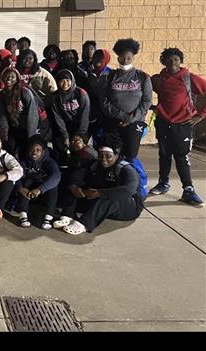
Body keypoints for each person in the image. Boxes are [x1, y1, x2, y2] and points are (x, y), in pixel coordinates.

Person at [54, 133, 143, 235]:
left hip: (127, 207)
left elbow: (128, 190)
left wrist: (100, 193)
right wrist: (74, 186)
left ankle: (84, 224)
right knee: (74, 188)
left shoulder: (126, 169)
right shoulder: (95, 164)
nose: (104, 159)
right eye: (101, 156)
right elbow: (77, 175)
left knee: (109, 197)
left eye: (108, 156)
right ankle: (68, 215)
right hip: (102, 204)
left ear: (116, 155)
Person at [149, 47, 206, 206]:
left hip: (183, 124)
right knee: (164, 153)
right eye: (169, 59)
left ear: (180, 61)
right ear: (163, 62)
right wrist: (153, 106)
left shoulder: (189, 78)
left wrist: (200, 115)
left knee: (181, 156)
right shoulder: (158, 79)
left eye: (176, 59)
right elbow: (143, 88)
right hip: (163, 123)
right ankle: (163, 182)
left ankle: (188, 189)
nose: (172, 62)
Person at [100, 38, 152, 198]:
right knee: (114, 153)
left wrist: (131, 118)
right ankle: (119, 183)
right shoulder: (109, 76)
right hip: (113, 121)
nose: (125, 60)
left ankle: (140, 182)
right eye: (122, 57)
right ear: (117, 57)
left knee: (130, 154)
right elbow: (103, 101)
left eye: (128, 57)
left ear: (133, 57)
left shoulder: (142, 77)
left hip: (134, 123)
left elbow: (146, 101)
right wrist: (121, 115)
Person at [16, 136, 61, 229]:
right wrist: (20, 188)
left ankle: (48, 218)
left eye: (38, 150)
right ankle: (23, 215)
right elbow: (15, 176)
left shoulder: (50, 162)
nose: (34, 153)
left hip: (42, 192)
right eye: (32, 150)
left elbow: (56, 176)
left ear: (43, 151)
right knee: (25, 183)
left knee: (53, 187)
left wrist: (40, 189)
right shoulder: (23, 162)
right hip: (29, 192)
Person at [49, 69, 91, 165]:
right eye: (62, 80)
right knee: (61, 147)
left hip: (80, 126)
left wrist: (80, 135)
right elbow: (57, 117)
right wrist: (65, 136)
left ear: (72, 80)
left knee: (79, 148)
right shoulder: (55, 97)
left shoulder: (81, 93)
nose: (65, 83)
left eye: (67, 80)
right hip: (64, 126)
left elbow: (85, 115)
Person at [0, 68, 40, 158]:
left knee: (27, 151)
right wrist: (5, 135)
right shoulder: (2, 95)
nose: (9, 79)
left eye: (12, 77)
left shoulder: (24, 92)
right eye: (7, 76)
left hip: (28, 127)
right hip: (14, 127)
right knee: (10, 150)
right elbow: (2, 117)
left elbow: (33, 114)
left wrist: (31, 136)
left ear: (17, 79)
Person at [86, 48, 112, 144]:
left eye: (101, 57)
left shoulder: (111, 74)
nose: (98, 60)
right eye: (96, 57)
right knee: (95, 135)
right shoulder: (89, 74)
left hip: (107, 109)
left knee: (106, 136)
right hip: (93, 109)